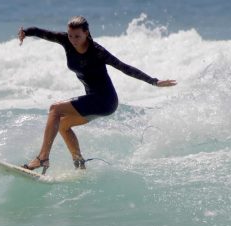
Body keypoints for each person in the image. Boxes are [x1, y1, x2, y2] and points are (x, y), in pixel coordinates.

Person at [18, 16, 176, 174]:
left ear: (86, 33)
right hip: (93, 99)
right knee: (63, 125)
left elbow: (124, 67)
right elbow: (42, 33)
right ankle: (79, 164)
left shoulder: (97, 52)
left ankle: (42, 158)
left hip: (105, 101)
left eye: (77, 36)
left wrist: (154, 81)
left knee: (55, 109)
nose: (73, 40)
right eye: (70, 35)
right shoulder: (66, 41)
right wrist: (26, 32)